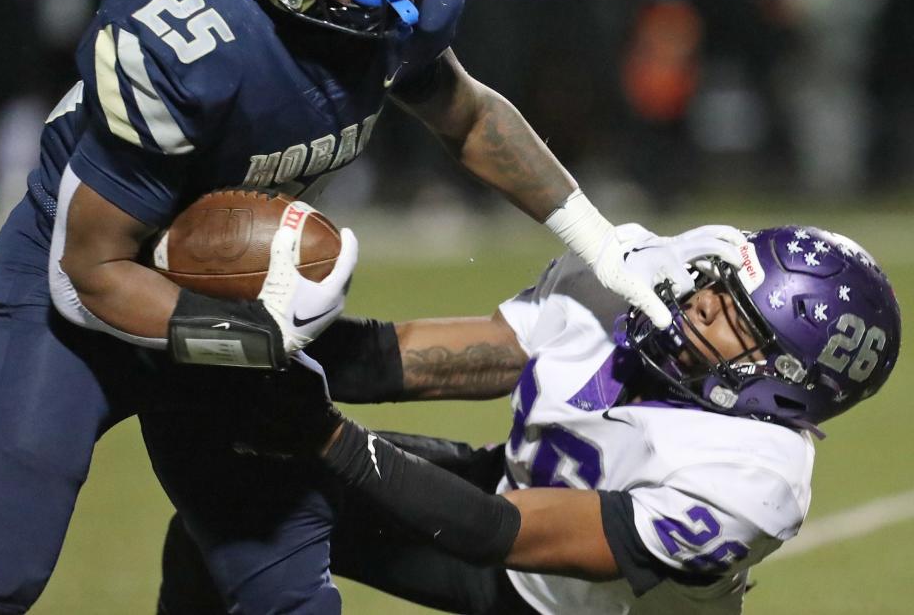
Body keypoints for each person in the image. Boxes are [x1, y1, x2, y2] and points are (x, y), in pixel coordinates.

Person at [0, 0, 694, 615]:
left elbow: (469, 118)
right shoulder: (187, 39)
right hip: (79, 312)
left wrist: (602, 245)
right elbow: (87, 271)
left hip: (224, 290)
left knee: (287, 597)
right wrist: (249, 337)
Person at [162, 223, 900, 614]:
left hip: (573, 602)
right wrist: (277, 339)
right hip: (503, 496)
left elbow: (501, 535)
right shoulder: (641, 280)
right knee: (232, 501)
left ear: (785, 384)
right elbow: (437, 360)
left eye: (740, 320)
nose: (701, 302)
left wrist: (327, 435)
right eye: (723, 284)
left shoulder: (752, 480)